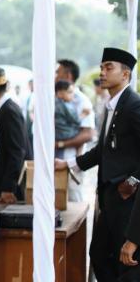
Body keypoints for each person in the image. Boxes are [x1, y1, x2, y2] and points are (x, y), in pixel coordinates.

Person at [55, 47, 140, 282]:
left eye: (108, 67)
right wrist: (69, 165)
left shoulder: (133, 104)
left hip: (127, 201)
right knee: (100, 256)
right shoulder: (112, 104)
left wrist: (133, 181)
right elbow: (102, 150)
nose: (102, 73)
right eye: (101, 67)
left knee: (126, 266)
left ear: (125, 73)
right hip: (109, 200)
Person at [0, 67, 27, 203]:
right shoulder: (4, 109)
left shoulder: (9, 111)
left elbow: (17, 151)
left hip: (8, 187)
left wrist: (8, 187)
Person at [54, 59, 95, 202]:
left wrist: (60, 144)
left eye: (57, 72)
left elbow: (88, 134)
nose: (55, 76)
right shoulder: (55, 98)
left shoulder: (82, 101)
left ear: (68, 76)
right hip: (54, 161)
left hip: (71, 161)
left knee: (72, 202)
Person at [55, 80, 86, 159]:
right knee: (83, 135)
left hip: (59, 133)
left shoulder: (55, 102)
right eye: (70, 92)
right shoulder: (64, 105)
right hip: (65, 133)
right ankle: (79, 156)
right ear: (60, 93)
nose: (73, 95)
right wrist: (84, 114)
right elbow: (76, 120)